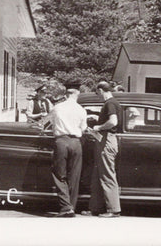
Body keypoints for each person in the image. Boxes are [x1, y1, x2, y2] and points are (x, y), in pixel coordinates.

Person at [40, 82, 87, 217]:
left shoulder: (58, 107)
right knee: (74, 176)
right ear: (76, 94)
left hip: (61, 141)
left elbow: (45, 122)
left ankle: (66, 207)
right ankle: (71, 206)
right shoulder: (81, 109)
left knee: (60, 175)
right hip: (76, 143)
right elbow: (83, 129)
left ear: (66, 95)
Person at [83, 80, 122, 218]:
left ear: (100, 90)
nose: (97, 95)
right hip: (105, 140)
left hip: (107, 140)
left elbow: (113, 122)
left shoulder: (110, 103)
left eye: (97, 92)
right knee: (98, 174)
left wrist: (98, 127)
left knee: (107, 175)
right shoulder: (113, 103)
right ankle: (95, 208)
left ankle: (114, 209)